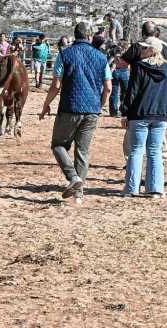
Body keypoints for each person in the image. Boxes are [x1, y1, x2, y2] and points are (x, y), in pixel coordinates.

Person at [39, 22, 112, 200]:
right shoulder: (101, 57)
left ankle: (73, 177)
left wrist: (46, 104)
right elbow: (108, 88)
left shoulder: (65, 54)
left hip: (69, 107)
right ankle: (78, 193)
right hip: (92, 110)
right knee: (82, 151)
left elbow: (56, 85)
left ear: (75, 35)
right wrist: (99, 105)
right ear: (90, 37)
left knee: (58, 145)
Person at [120, 36, 167, 198]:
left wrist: (125, 112)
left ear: (151, 50)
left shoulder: (139, 67)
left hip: (140, 113)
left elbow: (132, 91)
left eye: (144, 48)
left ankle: (131, 188)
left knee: (136, 151)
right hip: (161, 114)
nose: (141, 50)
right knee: (155, 151)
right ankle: (155, 188)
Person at [110, 40, 129, 117]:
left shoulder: (114, 50)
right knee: (124, 92)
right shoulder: (126, 51)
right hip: (124, 71)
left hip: (116, 71)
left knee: (114, 92)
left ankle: (113, 111)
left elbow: (111, 60)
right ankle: (123, 110)